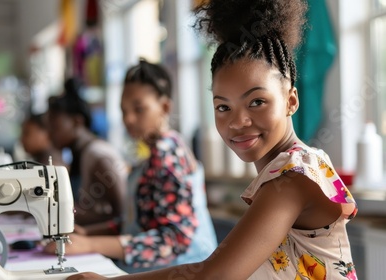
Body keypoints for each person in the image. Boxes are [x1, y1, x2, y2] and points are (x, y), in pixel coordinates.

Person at [66, 0, 358, 279]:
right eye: (223, 107)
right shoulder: (288, 169)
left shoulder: (294, 178)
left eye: (257, 102)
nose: (238, 121)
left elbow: (214, 275)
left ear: (291, 100)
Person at [45, 59, 217, 273]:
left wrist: (90, 244)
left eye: (139, 109)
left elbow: (173, 240)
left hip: (185, 272)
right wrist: (87, 233)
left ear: (164, 107)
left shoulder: (167, 155)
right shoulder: (152, 155)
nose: (129, 119)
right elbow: (138, 223)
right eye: (124, 111)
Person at [47, 77, 127, 234]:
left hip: (105, 247)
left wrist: (66, 214)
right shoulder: (78, 154)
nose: (50, 134)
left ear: (77, 122)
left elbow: (122, 216)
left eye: (54, 127)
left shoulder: (98, 157)